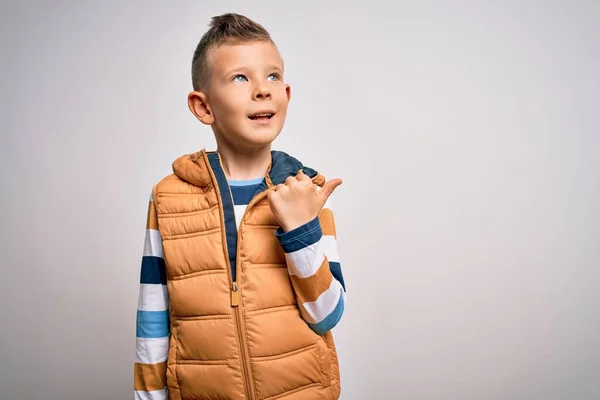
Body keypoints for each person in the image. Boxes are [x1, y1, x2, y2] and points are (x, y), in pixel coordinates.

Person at [133, 13, 347, 400]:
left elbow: (327, 315)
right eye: (240, 78)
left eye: (272, 76)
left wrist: (300, 232)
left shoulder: (306, 190)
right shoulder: (168, 198)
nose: (262, 90)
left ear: (286, 95)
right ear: (203, 106)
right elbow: (152, 316)